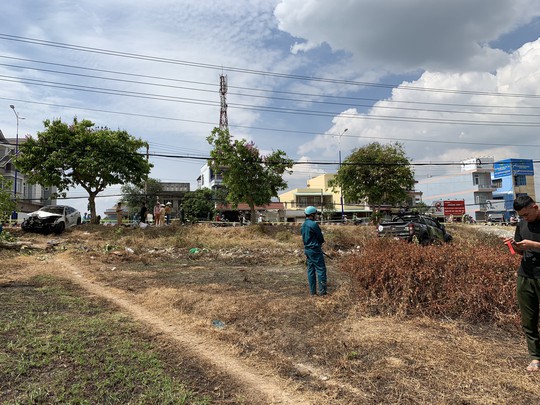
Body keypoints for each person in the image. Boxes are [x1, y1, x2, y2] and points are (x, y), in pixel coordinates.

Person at [504, 195, 540, 372]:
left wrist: (534, 244)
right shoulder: (522, 224)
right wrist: (515, 246)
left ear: (535, 207)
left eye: (526, 214)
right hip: (525, 275)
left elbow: (532, 245)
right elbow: (520, 252)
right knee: (529, 319)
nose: (525, 218)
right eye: (521, 216)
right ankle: (535, 357)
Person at [301, 206, 327, 296]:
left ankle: (313, 293)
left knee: (311, 271)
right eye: (316, 214)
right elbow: (320, 238)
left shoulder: (303, 224)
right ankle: (322, 292)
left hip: (308, 250)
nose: (316, 215)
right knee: (321, 270)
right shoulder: (313, 224)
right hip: (315, 250)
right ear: (312, 214)